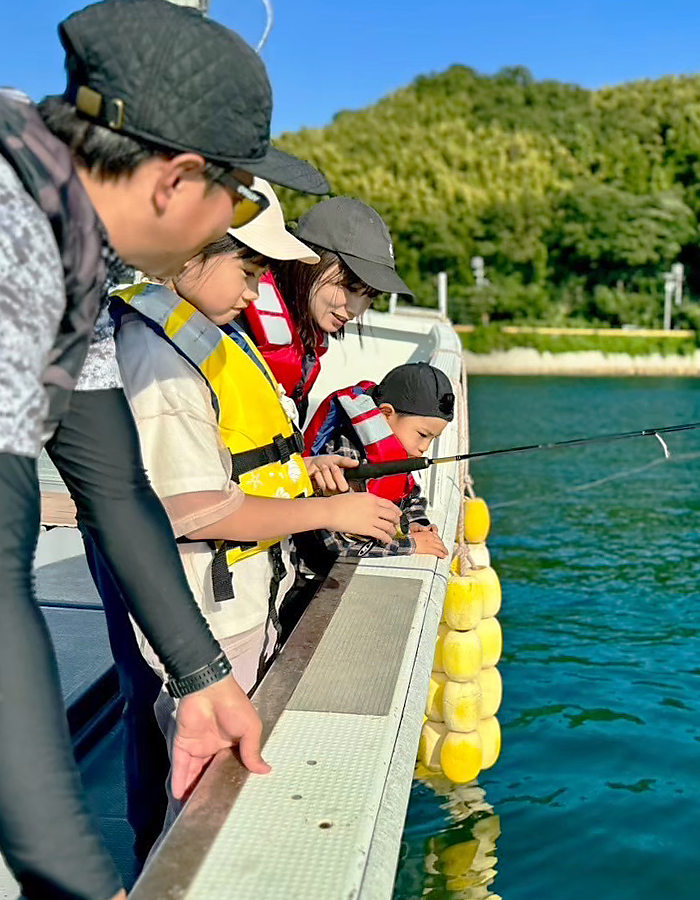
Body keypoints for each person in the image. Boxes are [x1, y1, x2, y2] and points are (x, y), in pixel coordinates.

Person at [0, 2, 328, 898]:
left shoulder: (75, 244)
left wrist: (202, 678)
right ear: (176, 179)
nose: (239, 223)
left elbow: (114, 485)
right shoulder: (12, 238)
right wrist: (72, 879)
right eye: (237, 191)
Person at [108, 179, 402, 834]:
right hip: (202, 606)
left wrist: (305, 469)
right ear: (191, 250)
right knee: (198, 792)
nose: (252, 292)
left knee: (190, 764)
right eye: (247, 269)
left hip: (230, 593)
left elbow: (236, 454)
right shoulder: (161, 350)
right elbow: (194, 509)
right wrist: (329, 513)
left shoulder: (208, 331)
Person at [242, 196, 413, 438]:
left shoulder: (304, 340)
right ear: (309, 261)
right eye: (350, 287)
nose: (356, 308)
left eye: (370, 296)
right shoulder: (237, 316)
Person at [307, 362, 453, 560]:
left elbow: (409, 497)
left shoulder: (397, 451)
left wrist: (415, 523)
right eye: (422, 434)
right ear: (385, 415)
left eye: (432, 438)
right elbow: (334, 543)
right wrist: (409, 545)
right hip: (315, 574)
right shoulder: (343, 458)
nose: (424, 447)